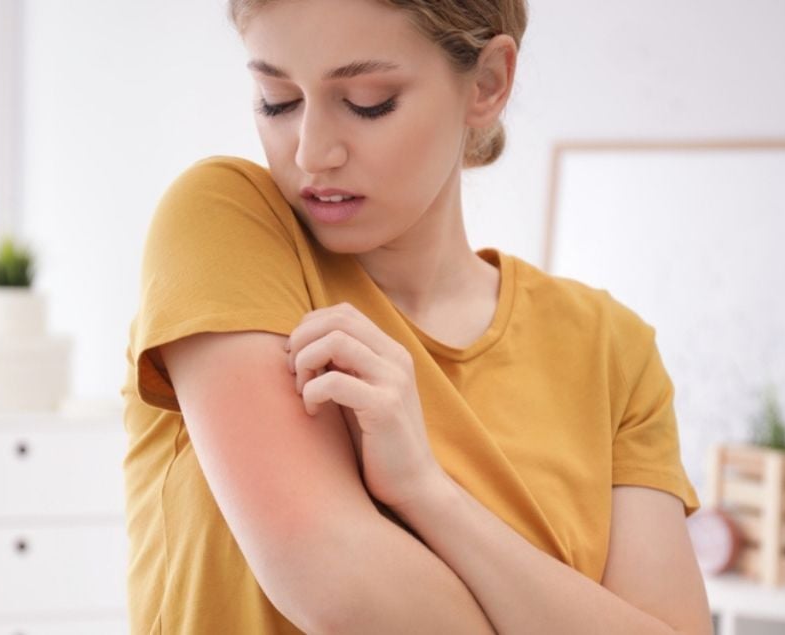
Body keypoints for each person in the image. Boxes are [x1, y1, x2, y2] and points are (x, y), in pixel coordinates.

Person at [120, 0, 713, 632]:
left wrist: (428, 494)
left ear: (487, 84)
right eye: (277, 100)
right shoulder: (225, 226)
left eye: (368, 102)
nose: (313, 152)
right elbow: (335, 585)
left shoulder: (609, 349)